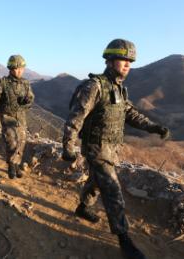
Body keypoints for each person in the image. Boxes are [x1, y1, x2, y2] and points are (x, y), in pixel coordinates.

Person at [62, 39, 170, 259]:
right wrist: (68, 146)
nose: (128, 64)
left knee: (96, 181)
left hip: (110, 148)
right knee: (112, 189)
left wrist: (153, 127)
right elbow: (76, 117)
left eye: (130, 61)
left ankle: (83, 207)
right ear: (110, 61)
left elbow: (131, 114)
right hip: (95, 147)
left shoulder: (119, 89)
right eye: (123, 60)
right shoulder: (95, 86)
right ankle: (124, 239)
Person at [0, 55, 34, 179]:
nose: (20, 71)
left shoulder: (25, 83)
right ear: (11, 69)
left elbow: (31, 98)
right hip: (7, 116)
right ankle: (11, 165)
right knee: (11, 142)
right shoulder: (2, 83)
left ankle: (16, 164)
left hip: (20, 117)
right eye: (17, 68)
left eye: (22, 68)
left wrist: (27, 100)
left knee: (21, 141)